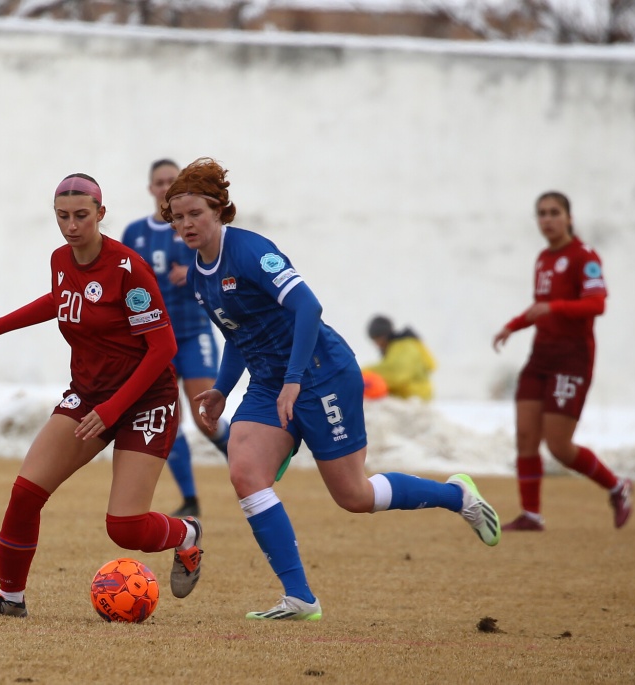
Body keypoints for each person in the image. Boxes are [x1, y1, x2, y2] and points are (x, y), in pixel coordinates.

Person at [161, 158, 501, 621]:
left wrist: (296, 381)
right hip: (268, 382)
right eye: (178, 217)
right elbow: (238, 336)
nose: (186, 224)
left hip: (321, 374)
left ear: (219, 210)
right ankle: (300, 597)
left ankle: (456, 496)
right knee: (244, 471)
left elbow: (308, 307)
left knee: (354, 497)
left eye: (195, 213)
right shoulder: (200, 276)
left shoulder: (252, 252)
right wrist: (222, 389)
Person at [0, 173, 204, 618]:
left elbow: (163, 348)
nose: (72, 226)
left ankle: (186, 535)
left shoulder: (129, 270)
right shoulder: (61, 259)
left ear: (101, 215)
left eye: (82, 217)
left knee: (124, 527)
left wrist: (112, 411)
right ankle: (11, 600)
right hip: (90, 396)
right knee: (26, 492)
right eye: (63, 217)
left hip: (145, 398)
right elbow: (59, 299)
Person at [492, 191, 632, 532]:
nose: (547, 219)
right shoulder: (542, 258)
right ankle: (531, 516)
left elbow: (597, 304)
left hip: (572, 359)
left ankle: (617, 487)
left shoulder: (585, 257)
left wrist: (555, 307)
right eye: (541, 214)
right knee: (525, 437)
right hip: (541, 356)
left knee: (558, 446)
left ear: (569, 217)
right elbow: (540, 306)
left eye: (554, 212)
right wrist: (513, 325)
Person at [122, 159, 231, 518]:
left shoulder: (193, 225)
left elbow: (219, 262)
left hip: (192, 331)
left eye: (171, 180)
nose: (164, 187)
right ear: (151, 189)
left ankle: (249, 463)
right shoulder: (135, 233)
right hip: (155, 340)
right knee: (168, 418)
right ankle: (190, 498)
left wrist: (193, 271)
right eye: (159, 182)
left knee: (205, 416)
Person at [362, 315, 437, 401]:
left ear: (386, 335)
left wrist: (362, 372)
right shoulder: (396, 348)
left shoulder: (405, 346)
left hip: (414, 398)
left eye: (378, 339)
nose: (377, 344)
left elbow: (396, 372)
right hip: (408, 397)